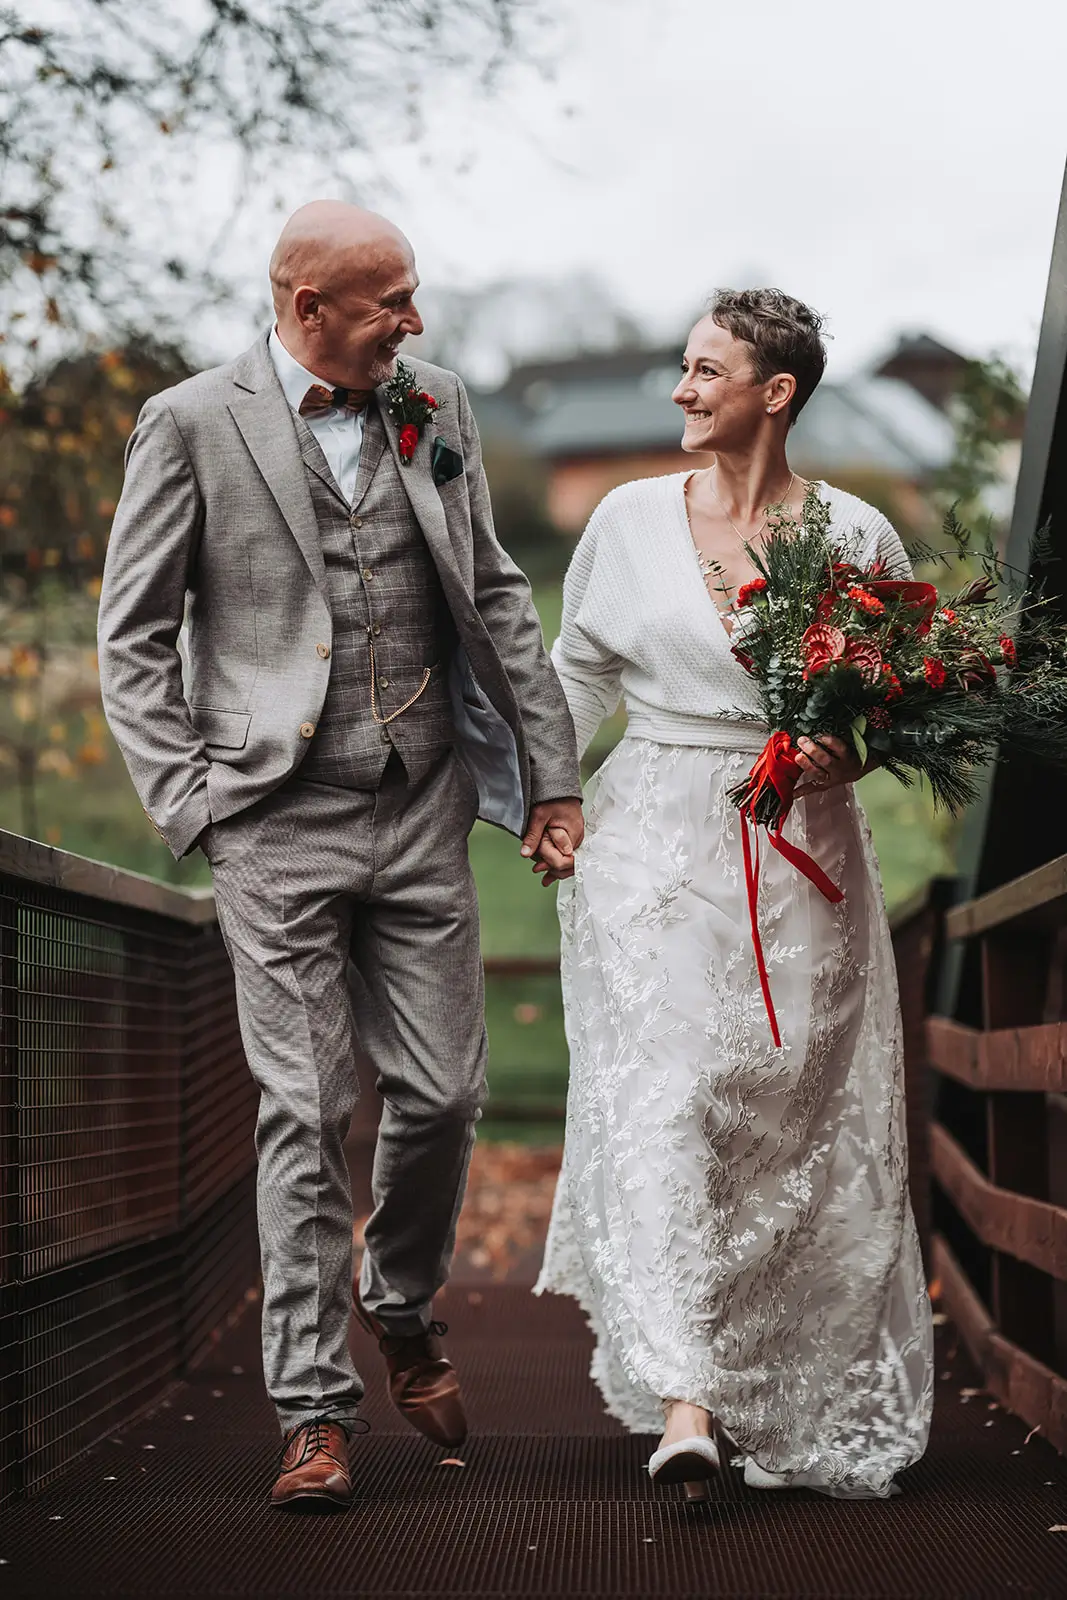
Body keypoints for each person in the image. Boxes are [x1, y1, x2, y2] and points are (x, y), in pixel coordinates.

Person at [97, 201, 583, 1510]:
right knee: (306, 1110)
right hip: (271, 819)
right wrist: (193, 807)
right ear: (307, 306)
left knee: (443, 1095)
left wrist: (550, 776)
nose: (413, 322)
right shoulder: (188, 423)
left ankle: (400, 1301)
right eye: (389, 302)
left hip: (419, 802)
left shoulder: (436, 405)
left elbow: (493, 592)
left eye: (413, 295)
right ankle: (312, 1412)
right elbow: (132, 636)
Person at [535, 288, 933, 1500]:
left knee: (779, 1112)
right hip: (653, 836)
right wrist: (550, 793)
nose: (680, 388)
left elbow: (900, 704)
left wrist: (841, 751)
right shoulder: (624, 519)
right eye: (683, 365)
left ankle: (761, 1381)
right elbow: (576, 671)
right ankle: (685, 1398)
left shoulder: (857, 535)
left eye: (706, 370)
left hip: (798, 844)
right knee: (668, 1094)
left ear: (775, 392)